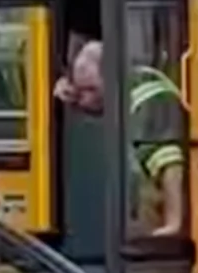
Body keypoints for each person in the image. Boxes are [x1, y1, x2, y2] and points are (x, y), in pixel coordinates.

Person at [59, 38, 187, 238]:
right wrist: (71, 97)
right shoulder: (125, 88)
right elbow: (100, 106)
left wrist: (173, 222)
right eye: (80, 89)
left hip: (161, 215)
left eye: (91, 90)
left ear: (112, 76)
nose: (85, 99)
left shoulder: (151, 97)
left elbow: (170, 162)